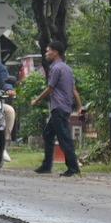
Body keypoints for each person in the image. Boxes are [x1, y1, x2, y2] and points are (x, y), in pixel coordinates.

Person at [34, 43, 80, 175]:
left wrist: (37, 100)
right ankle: (46, 165)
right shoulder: (67, 68)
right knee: (48, 134)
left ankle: (73, 167)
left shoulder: (55, 69)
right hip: (64, 107)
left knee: (64, 138)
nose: (46, 54)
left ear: (56, 52)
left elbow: (50, 88)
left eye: (48, 51)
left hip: (58, 108)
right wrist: (79, 106)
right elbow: (74, 90)